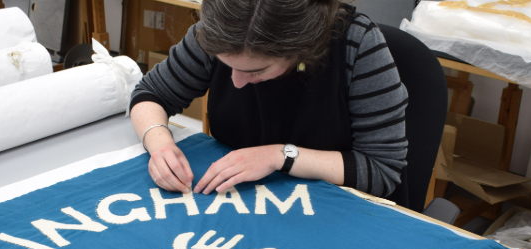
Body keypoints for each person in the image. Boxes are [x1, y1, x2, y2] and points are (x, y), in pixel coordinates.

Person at [129, 0, 408, 198]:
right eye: (226, 65)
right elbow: (151, 94)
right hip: (242, 203)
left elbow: (382, 170)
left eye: (257, 70)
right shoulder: (218, 33)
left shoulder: (358, 47)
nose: (236, 81)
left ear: (302, 49)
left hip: (335, 216)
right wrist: (160, 145)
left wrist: (279, 156)